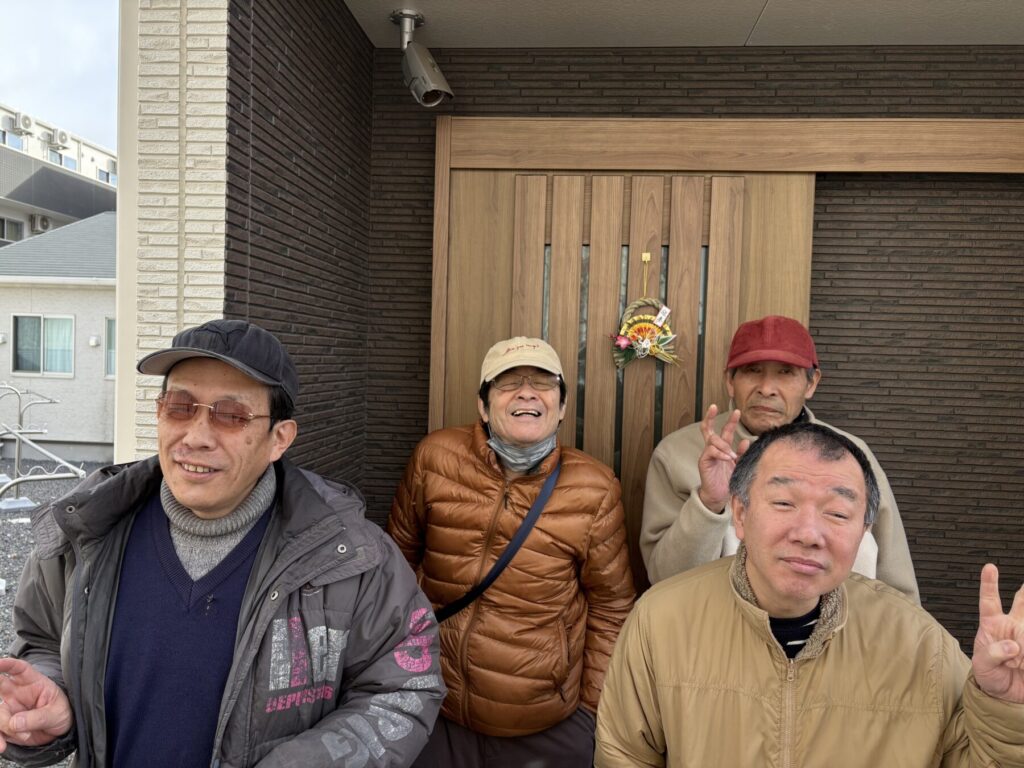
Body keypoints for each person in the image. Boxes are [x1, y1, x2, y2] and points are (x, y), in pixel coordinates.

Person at [0, 319, 445, 767]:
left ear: (279, 439)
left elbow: (403, 688)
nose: (196, 437)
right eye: (179, 407)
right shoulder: (87, 530)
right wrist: (50, 698)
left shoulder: (349, 557)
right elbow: (42, 640)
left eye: (232, 415)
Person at [596, 421, 1024, 766]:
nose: (808, 533)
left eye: (837, 513)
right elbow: (624, 757)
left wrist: (1006, 707)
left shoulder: (921, 645)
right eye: (784, 503)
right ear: (740, 514)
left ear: (864, 531)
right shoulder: (661, 623)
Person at [388, 336, 635, 768]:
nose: (526, 393)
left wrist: (590, 714)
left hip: (545, 725)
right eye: (508, 383)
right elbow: (395, 567)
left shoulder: (595, 488)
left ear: (561, 406)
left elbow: (612, 607)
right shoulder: (434, 457)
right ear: (484, 406)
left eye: (542, 383)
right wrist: (396, 676)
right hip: (436, 709)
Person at [641, 314, 919, 602]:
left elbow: (896, 585)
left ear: (811, 383)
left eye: (785, 372)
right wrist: (709, 503)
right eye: (752, 370)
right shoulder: (679, 453)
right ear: (730, 381)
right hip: (712, 624)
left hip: (839, 627)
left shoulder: (850, 457)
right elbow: (663, 580)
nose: (766, 388)